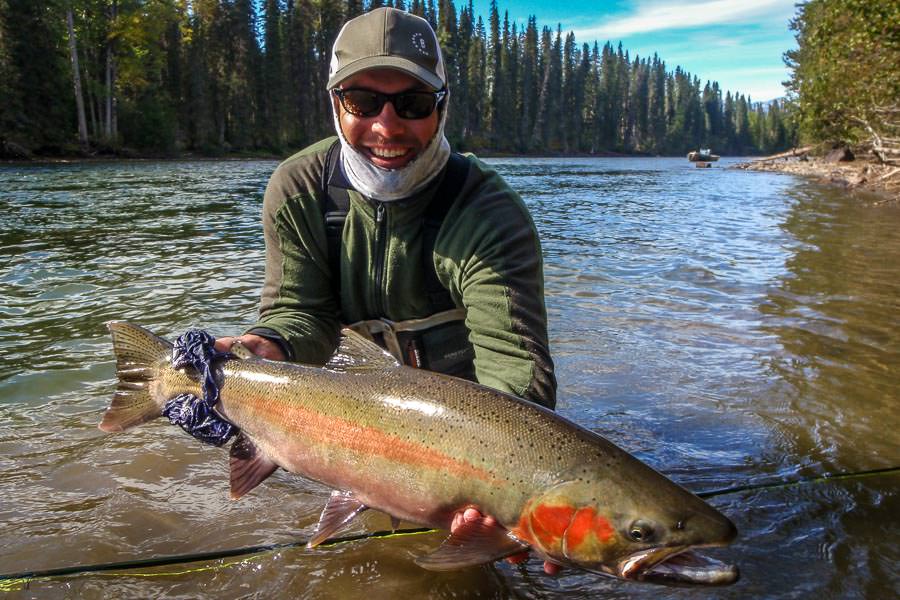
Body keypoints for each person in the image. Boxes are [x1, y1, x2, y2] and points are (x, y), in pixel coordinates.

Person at [215, 7, 559, 573]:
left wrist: (517, 492)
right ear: (335, 104)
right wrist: (260, 349)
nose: (387, 126)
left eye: (414, 104)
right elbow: (300, 312)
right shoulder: (299, 187)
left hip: (467, 436)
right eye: (363, 101)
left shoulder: (490, 214)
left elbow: (516, 375)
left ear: (441, 107)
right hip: (357, 412)